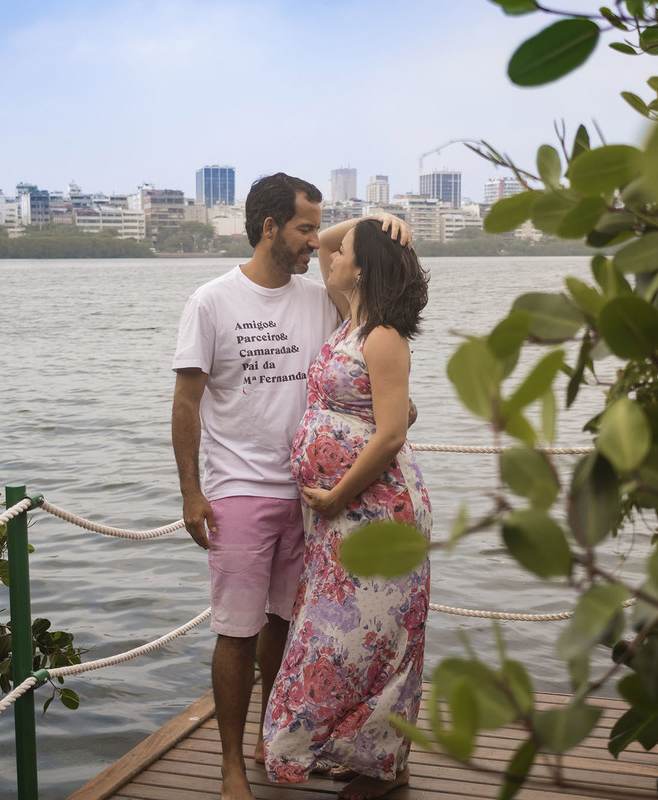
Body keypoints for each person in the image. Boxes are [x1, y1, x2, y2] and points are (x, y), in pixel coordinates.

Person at [171, 172, 342, 800]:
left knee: (284, 624)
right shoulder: (212, 301)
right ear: (269, 227)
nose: (316, 241)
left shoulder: (319, 301)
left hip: (309, 494)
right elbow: (186, 403)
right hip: (239, 490)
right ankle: (230, 766)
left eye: (320, 229)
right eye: (304, 228)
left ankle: (273, 741)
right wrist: (191, 492)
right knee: (237, 630)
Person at [263, 217, 431, 800]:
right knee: (343, 635)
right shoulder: (349, 319)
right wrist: (371, 222)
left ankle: (385, 766)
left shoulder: (383, 336)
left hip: (377, 511)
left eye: (344, 253)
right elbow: (330, 240)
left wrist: (337, 495)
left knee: (376, 639)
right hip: (340, 518)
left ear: (361, 269)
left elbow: (391, 435)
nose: (327, 255)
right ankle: (357, 754)